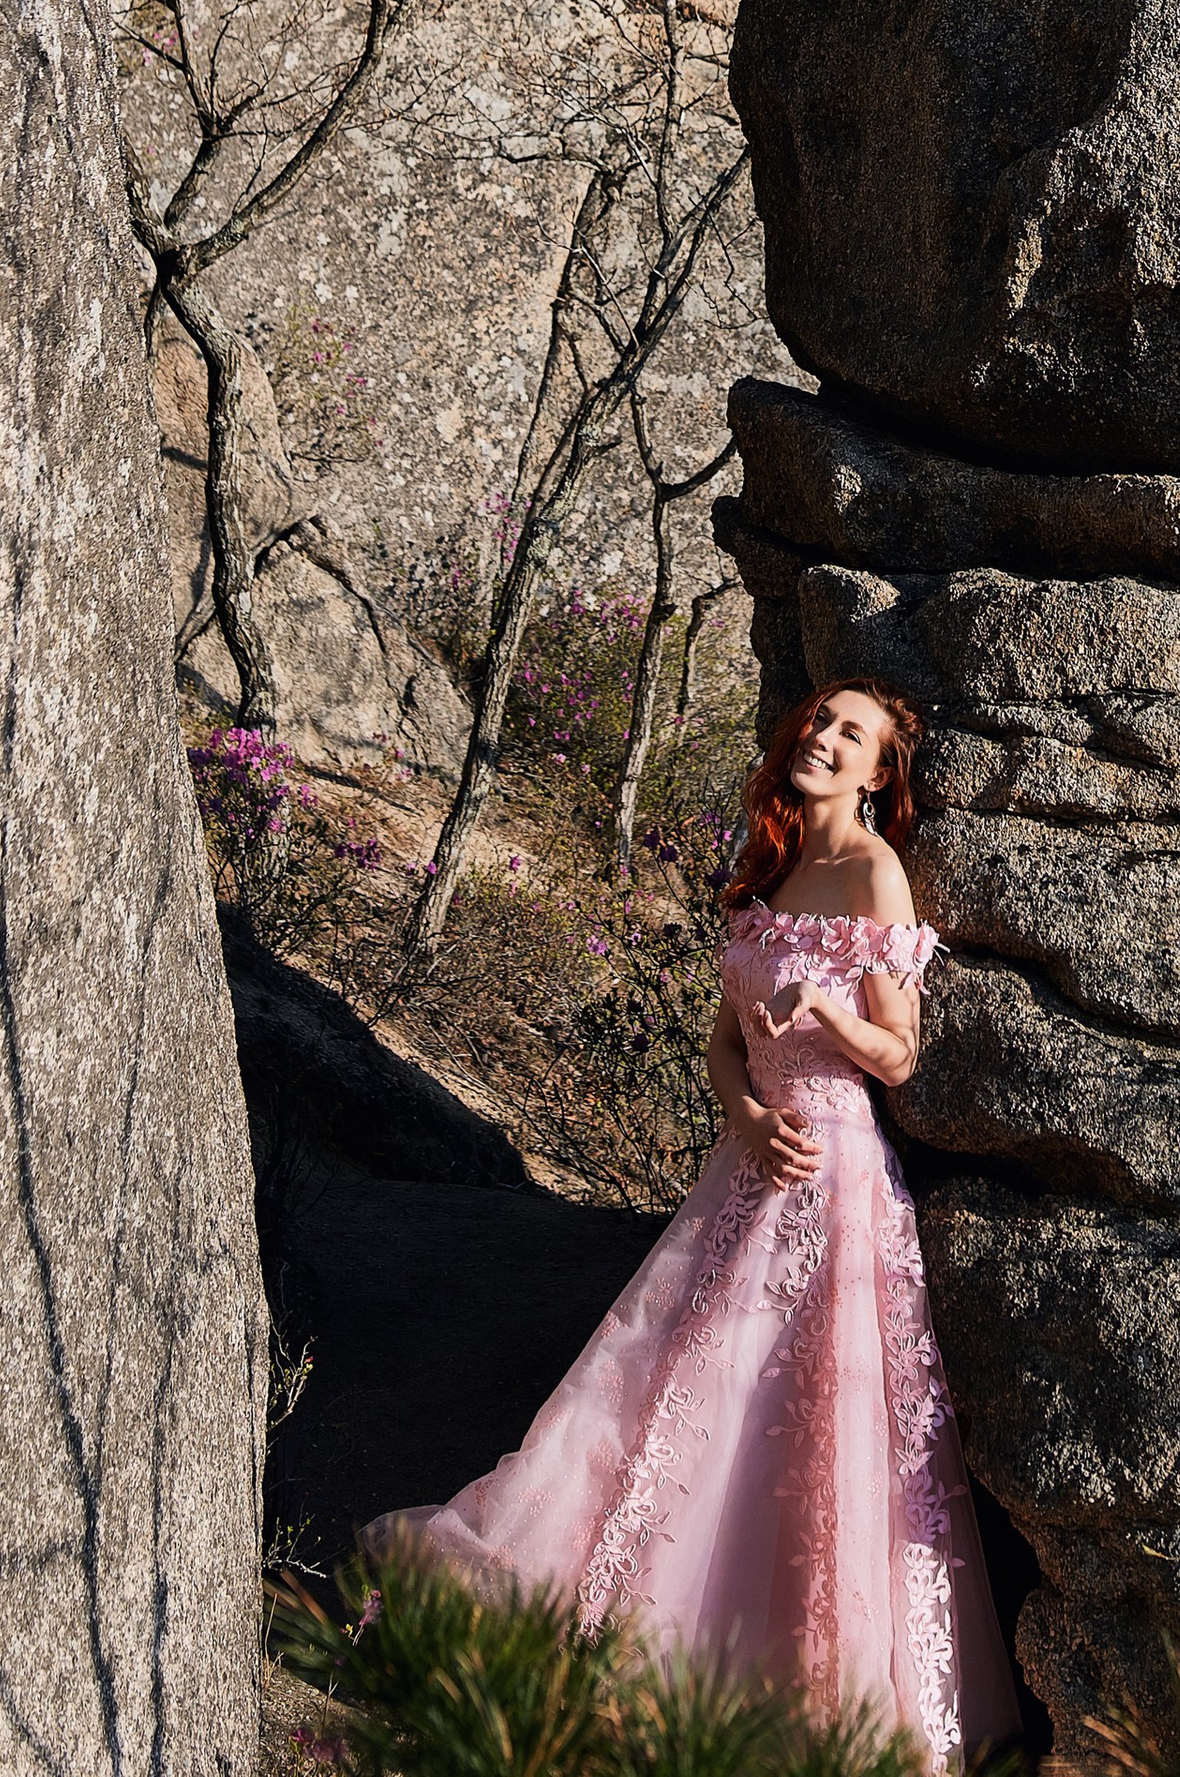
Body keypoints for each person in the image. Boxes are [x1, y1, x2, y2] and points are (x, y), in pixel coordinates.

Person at [369, 680, 1020, 1766]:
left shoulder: (873, 872)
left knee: (803, 1417)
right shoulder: (765, 868)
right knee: (665, 1378)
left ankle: (780, 1682)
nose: (822, 737)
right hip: (750, 1159)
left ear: (877, 774)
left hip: (831, 1178)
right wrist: (745, 1114)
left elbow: (900, 1057)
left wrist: (824, 1010)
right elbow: (724, 1040)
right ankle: (605, 1623)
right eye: (818, 721)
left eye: (849, 735)